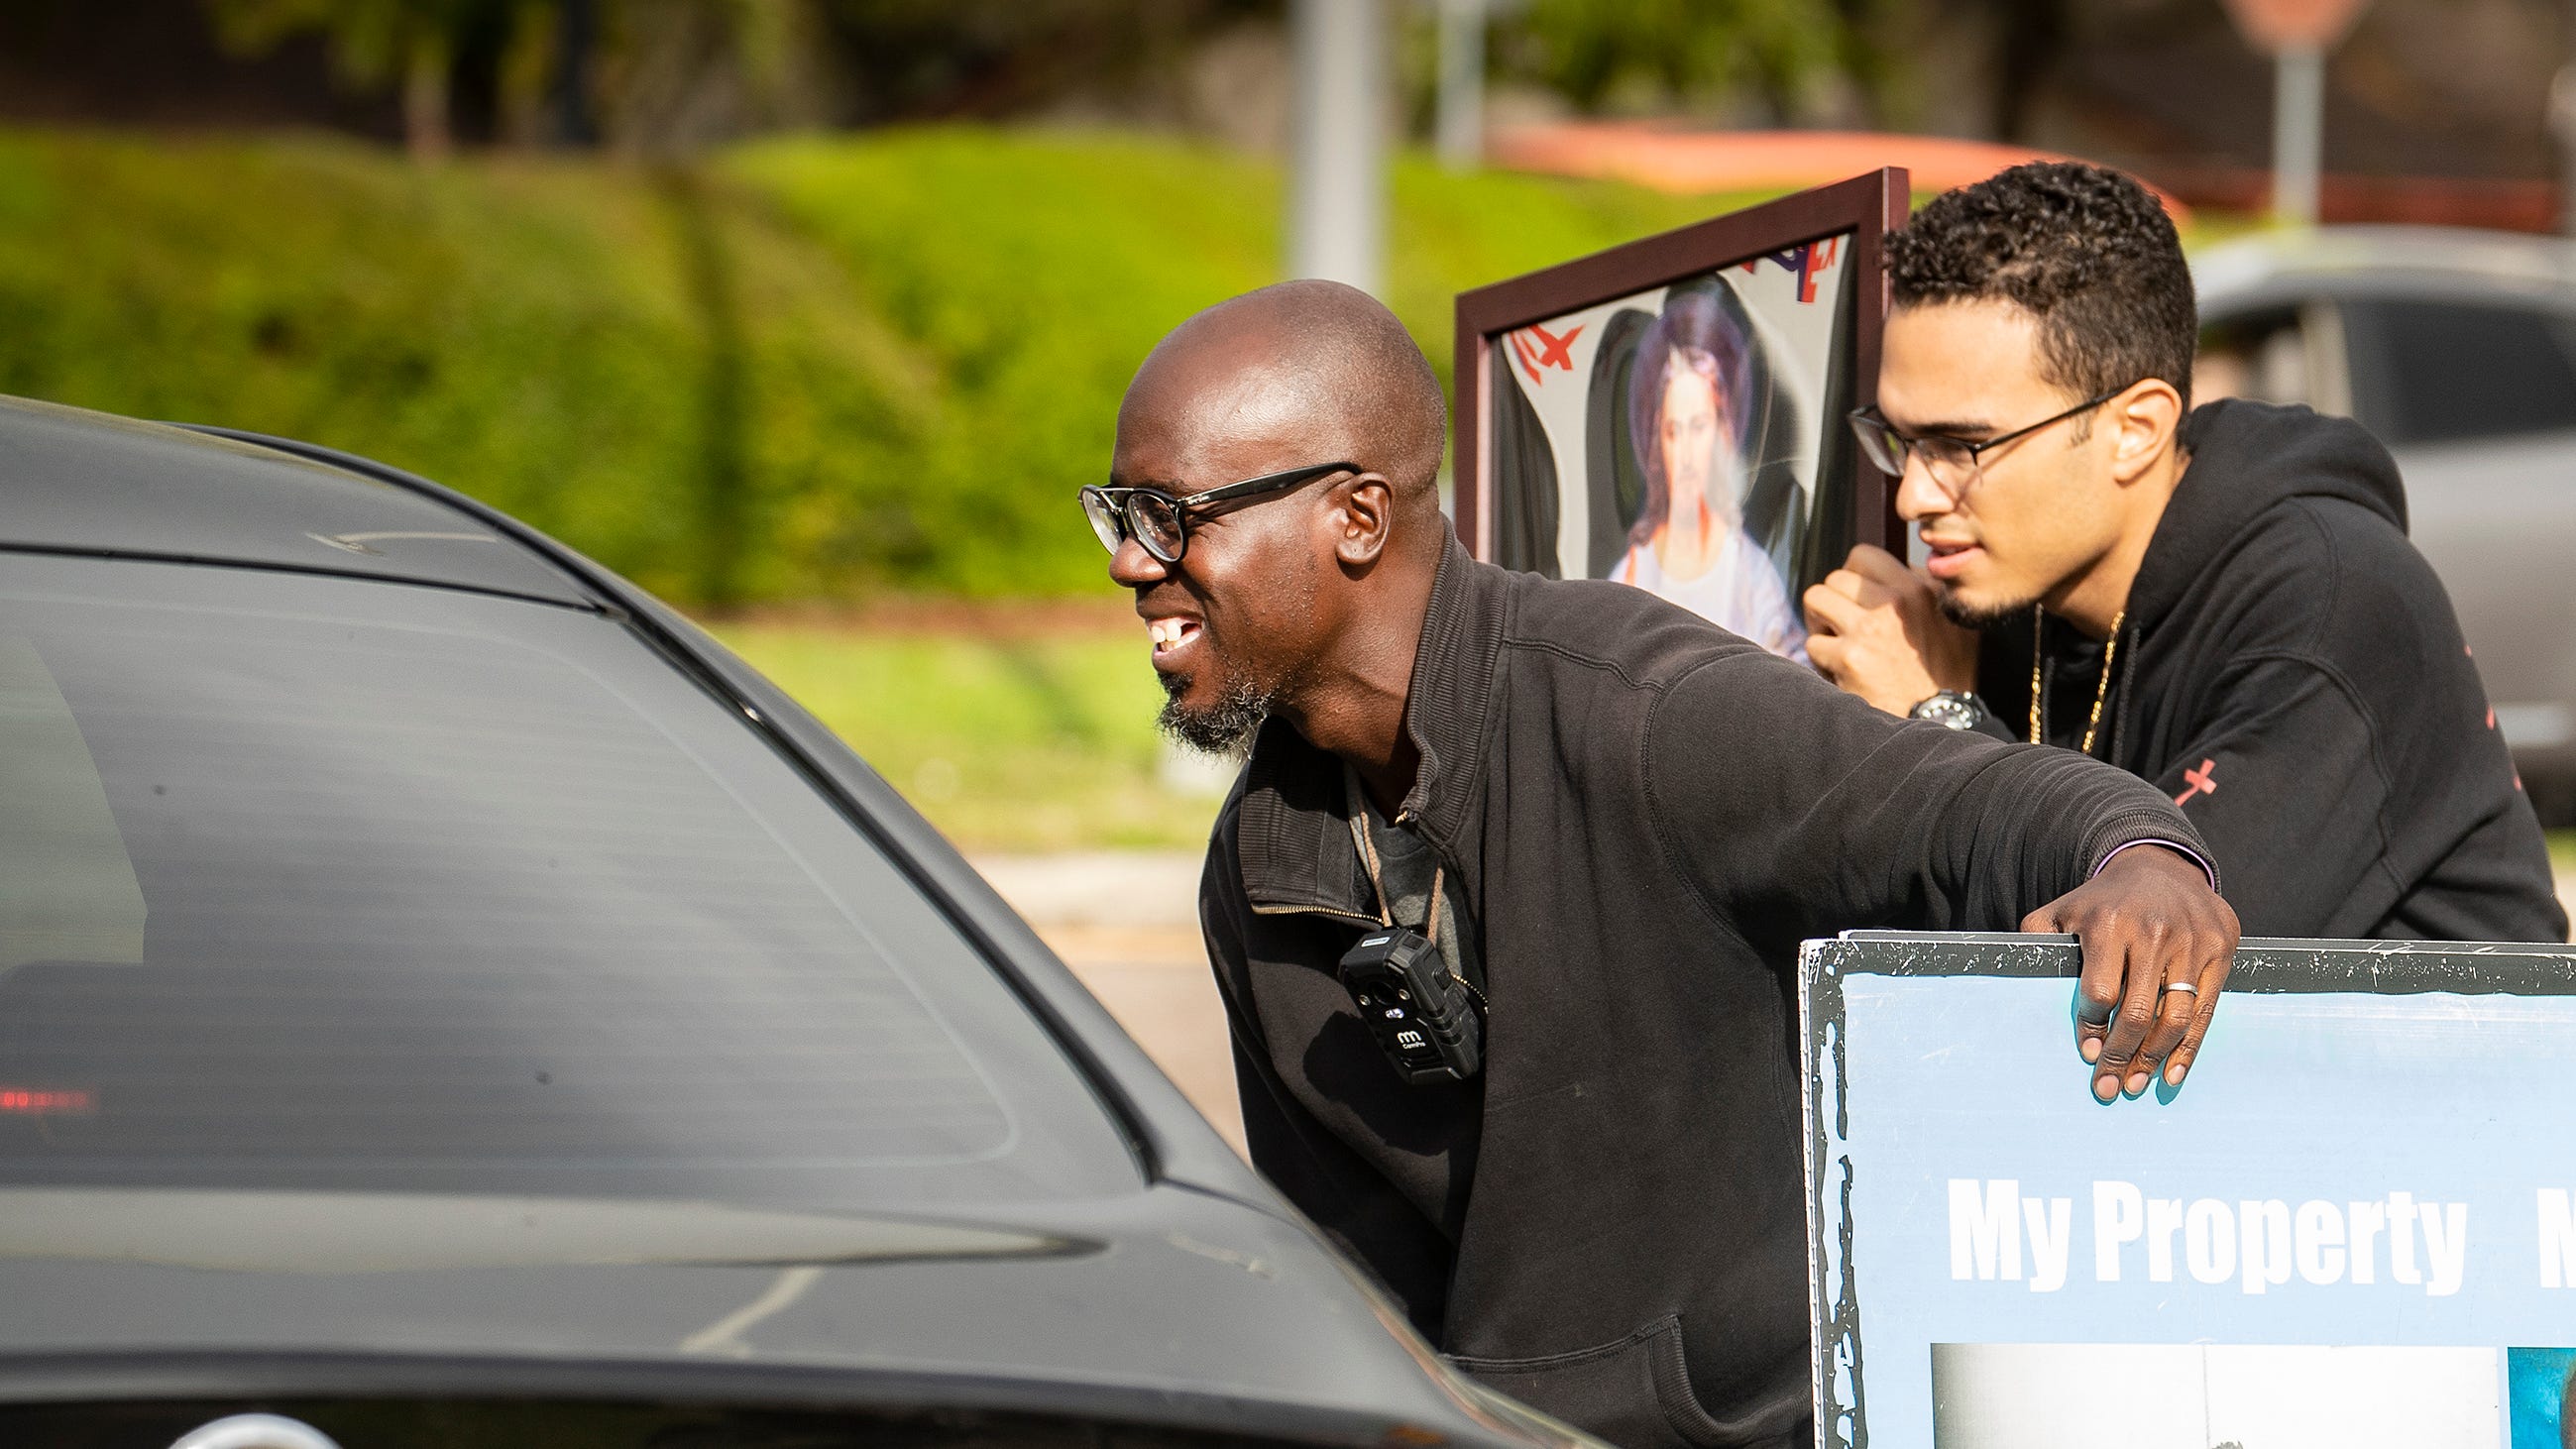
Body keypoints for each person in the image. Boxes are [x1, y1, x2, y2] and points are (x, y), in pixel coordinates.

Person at [1080, 278, 2240, 1449]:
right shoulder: (1257, 862)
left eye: (1173, 514)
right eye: (1119, 514)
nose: (1133, 563)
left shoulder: (1646, 711)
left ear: (1358, 517)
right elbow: (1350, 1298)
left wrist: (2146, 862)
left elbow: (1976, 806)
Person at [1801, 162, 2565, 943]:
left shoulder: (2334, 605)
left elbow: (2137, 970)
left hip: (2432, 1060)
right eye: (1900, 440)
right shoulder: (2003, 594)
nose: (1913, 497)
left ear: (2133, 430)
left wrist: (1940, 723)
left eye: (1961, 446)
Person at [1609, 290, 1809, 660]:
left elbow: (1797, 678)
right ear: (1658, 446)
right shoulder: (1633, 573)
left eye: (1699, 426)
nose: (1685, 453)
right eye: (1673, 431)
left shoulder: (1749, 572)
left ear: (1723, 434)